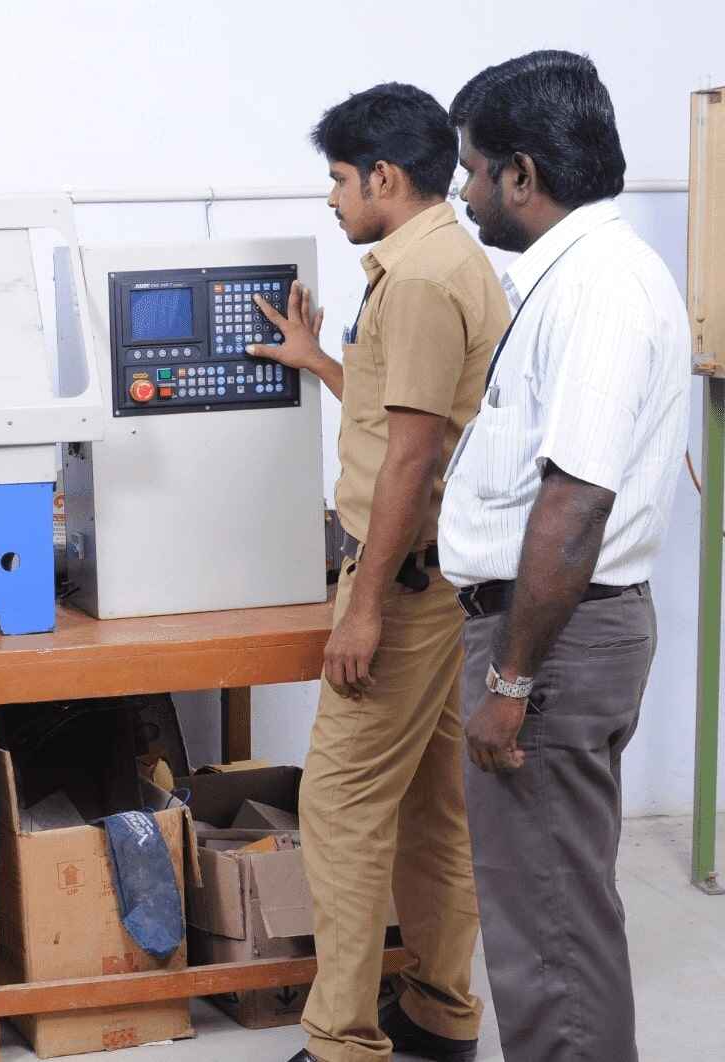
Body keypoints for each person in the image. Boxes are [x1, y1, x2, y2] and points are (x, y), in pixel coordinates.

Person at [250, 83, 510, 1062]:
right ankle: (441, 1015)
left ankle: (341, 1042)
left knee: (341, 805)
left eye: (338, 179)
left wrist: (360, 610)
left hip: (400, 588)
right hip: (444, 580)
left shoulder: (420, 281)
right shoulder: (446, 261)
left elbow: (410, 459)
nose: (331, 198)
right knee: (434, 806)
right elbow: (408, 412)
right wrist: (321, 362)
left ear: (384, 177)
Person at [440, 50, 689, 1061]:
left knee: (550, 936)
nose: (462, 192)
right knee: (548, 919)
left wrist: (511, 682)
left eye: (470, 169)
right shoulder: (571, 278)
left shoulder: (596, 287)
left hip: (550, 643)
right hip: (552, 634)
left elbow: (575, 502)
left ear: (521, 174)